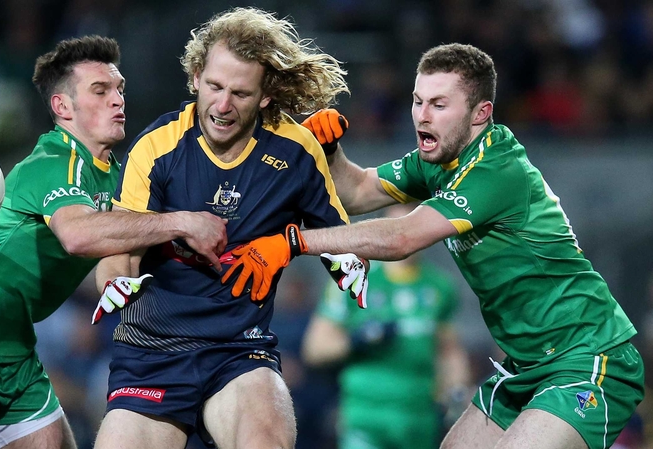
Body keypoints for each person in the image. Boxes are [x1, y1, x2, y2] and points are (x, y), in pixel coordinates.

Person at [234, 43, 645, 449]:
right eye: (418, 101)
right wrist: (330, 152)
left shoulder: (495, 170)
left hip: (589, 358)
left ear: (480, 113)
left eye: (439, 105)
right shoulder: (437, 162)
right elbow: (357, 191)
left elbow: (402, 237)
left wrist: (293, 242)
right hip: (528, 365)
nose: (422, 116)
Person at [0, 35, 227, 449]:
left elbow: (132, 234)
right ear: (62, 107)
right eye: (100, 91)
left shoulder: (113, 173)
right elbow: (78, 236)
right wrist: (182, 222)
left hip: (12, 352)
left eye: (119, 89)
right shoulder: (52, 163)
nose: (118, 100)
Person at [90, 7, 357, 449]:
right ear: (195, 76)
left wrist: (335, 260)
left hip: (240, 350)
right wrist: (115, 280)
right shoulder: (156, 148)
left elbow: (341, 241)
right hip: (152, 351)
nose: (222, 105)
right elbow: (120, 250)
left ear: (266, 95)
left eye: (240, 92)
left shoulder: (295, 151)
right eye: (213, 86)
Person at [301, 203, 472, 449]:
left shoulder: (440, 286)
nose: (403, 237)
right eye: (393, 229)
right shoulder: (353, 278)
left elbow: (448, 351)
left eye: (413, 228)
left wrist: (457, 391)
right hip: (366, 415)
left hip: (419, 418)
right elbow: (315, 349)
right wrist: (358, 339)